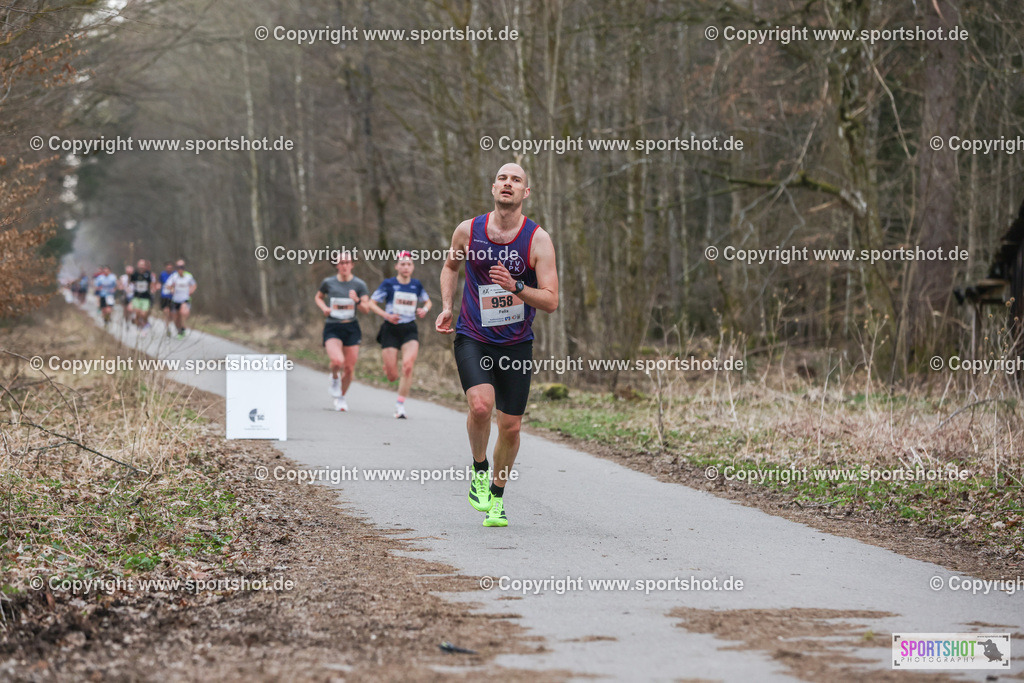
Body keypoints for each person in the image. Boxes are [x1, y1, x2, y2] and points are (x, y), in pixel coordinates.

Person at [435, 163, 559, 527]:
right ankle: (478, 469)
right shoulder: (467, 231)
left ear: (526, 193)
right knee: (480, 405)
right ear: (493, 188)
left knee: (512, 427)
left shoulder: (538, 240)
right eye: (503, 179)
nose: (508, 184)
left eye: (516, 180)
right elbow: (450, 268)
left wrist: (517, 287)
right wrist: (446, 306)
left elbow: (551, 300)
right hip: (474, 334)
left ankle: (497, 496)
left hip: (517, 343)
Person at [368, 252, 432, 418]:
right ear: (397, 266)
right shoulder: (388, 284)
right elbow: (371, 303)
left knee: (408, 366)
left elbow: (428, 301)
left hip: (409, 329)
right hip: (390, 328)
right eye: (402, 264)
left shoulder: (416, 285)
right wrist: (386, 315)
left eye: (409, 264)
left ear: (413, 267)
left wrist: (424, 310)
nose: (405, 267)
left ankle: (400, 405)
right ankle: (389, 368)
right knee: (392, 376)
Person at [315, 252, 370, 411]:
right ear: (336, 265)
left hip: (351, 328)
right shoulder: (328, 282)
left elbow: (366, 309)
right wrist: (324, 307)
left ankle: (341, 397)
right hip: (333, 326)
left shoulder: (360, 285)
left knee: (350, 369)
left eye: (347, 262)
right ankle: (334, 378)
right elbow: (318, 297)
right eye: (341, 262)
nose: (344, 265)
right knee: (337, 361)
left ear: (352, 265)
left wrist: (357, 300)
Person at [165, 259, 197, 339]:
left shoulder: (188, 276)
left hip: (185, 299)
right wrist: (171, 288)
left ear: (184, 268)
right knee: (175, 318)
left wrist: (191, 291)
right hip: (175, 300)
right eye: (178, 267)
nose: (180, 269)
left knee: (183, 312)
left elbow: (194, 285)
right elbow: (167, 285)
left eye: (182, 267)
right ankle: (180, 330)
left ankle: (183, 328)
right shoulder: (174, 276)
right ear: (176, 268)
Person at [128, 259, 156, 330]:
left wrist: (153, 289)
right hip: (137, 297)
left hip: (146, 297)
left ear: (145, 266)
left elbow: (152, 284)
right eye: (140, 265)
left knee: (143, 314)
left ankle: (143, 323)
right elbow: (130, 282)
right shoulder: (135, 274)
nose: (141, 267)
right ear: (138, 266)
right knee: (137, 312)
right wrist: (129, 275)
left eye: (143, 265)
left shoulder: (148, 274)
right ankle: (139, 327)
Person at [158, 262, 175, 336]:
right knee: (166, 311)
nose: (169, 269)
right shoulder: (162, 274)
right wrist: (157, 286)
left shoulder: (175, 275)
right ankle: (167, 328)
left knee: (171, 314)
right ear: (165, 268)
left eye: (170, 268)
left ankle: (168, 322)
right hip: (164, 296)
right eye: (168, 268)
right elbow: (159, 283)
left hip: (173, 297)